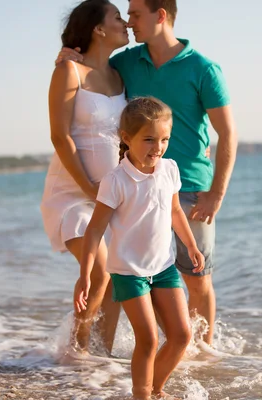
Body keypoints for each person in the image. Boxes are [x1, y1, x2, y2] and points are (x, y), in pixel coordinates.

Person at [58, 0, 238, 345]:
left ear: (161, 15)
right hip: (134, 185)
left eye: (136, 14)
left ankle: (202, 353)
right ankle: (107, 355)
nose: (129, 22)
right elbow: (90, 69)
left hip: (190, 188)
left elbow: (227, 134)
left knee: (197, 276)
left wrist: (216, 193)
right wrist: (69, 53)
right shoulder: (126, 62)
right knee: (130, 271)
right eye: (125, 14)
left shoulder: (204, 69)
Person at [75, 97, 204, 400]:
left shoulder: (169, 169)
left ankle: (155, 390)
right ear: (126, 139)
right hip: (128, 271)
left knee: (182, 335)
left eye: (164, 139)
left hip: (163, 267)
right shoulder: (115, 181)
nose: (157, 147)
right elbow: (94, 229)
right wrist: (86, 274)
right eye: (149, 139)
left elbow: (174, 212)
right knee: (146, 339)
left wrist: (191, 244)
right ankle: (140, 395)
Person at [40, 0, 130, 356]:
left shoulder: (121, 75)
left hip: (110, 195)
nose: (125, 23)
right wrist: (88, 187)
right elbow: (59, 136)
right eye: (118, 17)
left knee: (116, 280)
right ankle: (77, 353)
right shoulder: (68, 71)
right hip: (72, 192)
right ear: (97, 28)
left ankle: (101, 357)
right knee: (101, 272)